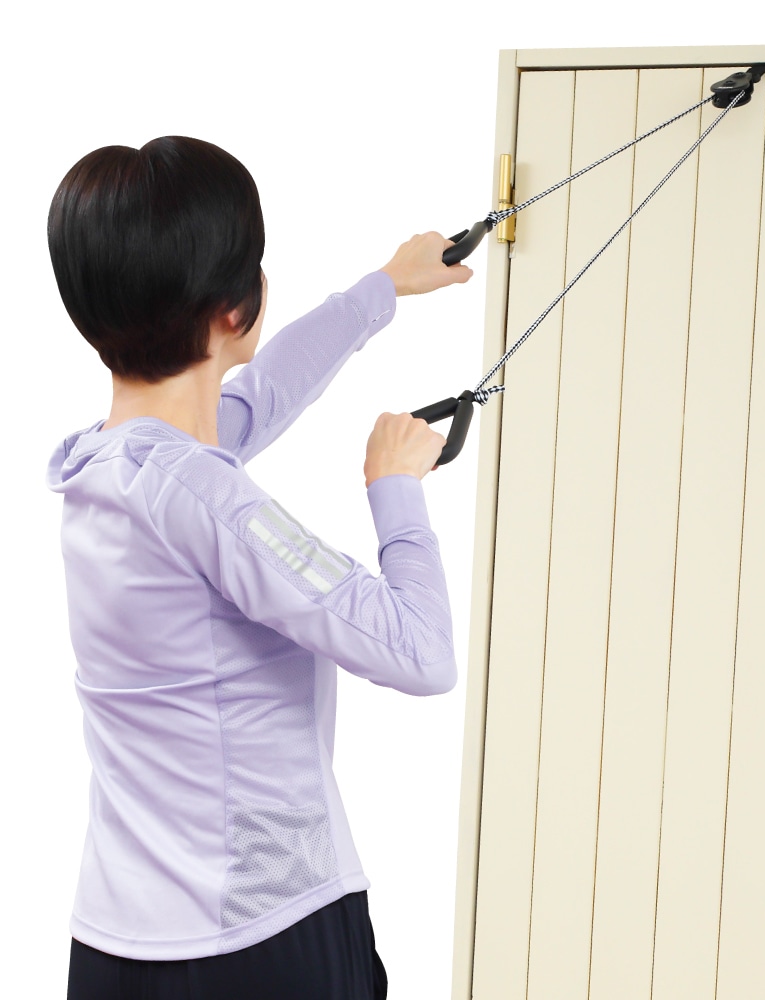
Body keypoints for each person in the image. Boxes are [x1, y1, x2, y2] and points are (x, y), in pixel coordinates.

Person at [46, 135, 473, 1000]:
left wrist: (383, 288)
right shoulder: (205, 499)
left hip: (114, 947)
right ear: (237, 308)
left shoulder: (106, 464)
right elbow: (423, 654)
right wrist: (395, 486)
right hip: (261, 940)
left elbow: (257, 399)